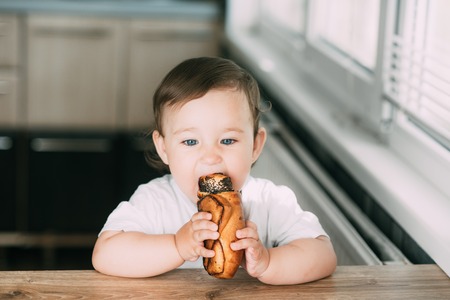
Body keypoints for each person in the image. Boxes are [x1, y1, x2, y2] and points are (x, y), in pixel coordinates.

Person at [92, 57, 337, 285]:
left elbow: (323, 255)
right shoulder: (155, 201)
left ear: (256, 146)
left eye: (228, 140)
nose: (210, 157)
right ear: (163, 148)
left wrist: (268, 262)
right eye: (190, 142)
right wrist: (177, 245)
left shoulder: (270, 202)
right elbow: (105, 254)